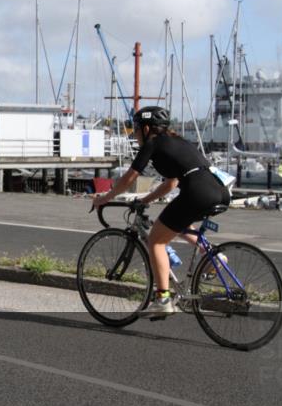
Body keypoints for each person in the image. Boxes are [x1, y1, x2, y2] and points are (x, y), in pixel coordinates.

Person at [92, 106, 230, 317]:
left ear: (147, 129)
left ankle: (162, 298)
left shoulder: (153, 144)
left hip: (197, 192)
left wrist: (105, 198)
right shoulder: (178, 142)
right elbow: (171, 183)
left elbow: (130, 176)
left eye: (136, 129)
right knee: (180, 224)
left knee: (156, 240)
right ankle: (213, 255)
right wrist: (145, 199)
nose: (135, 135)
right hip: (218, 190)